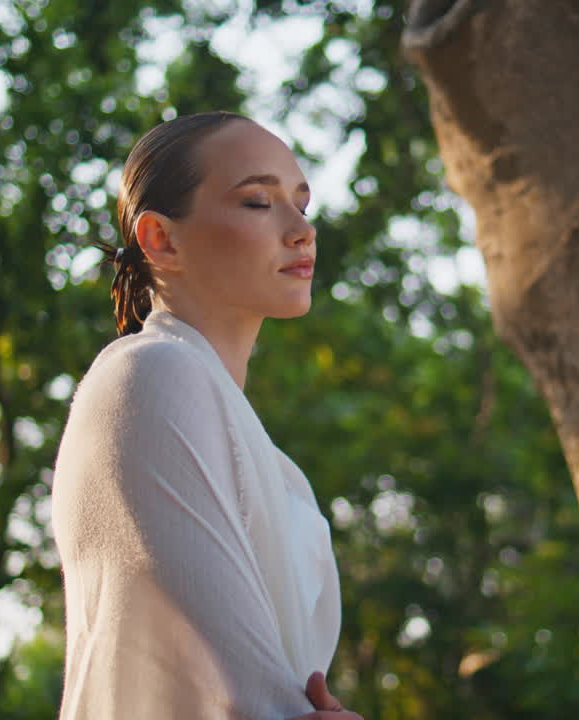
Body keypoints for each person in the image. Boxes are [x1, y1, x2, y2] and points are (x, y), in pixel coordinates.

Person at [51, 110, 362, 719]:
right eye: (256, 202)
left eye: (302, 203)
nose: (302, 230)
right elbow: (239, 697)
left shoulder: (275, 465)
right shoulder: (150, 375)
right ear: (160, 239)